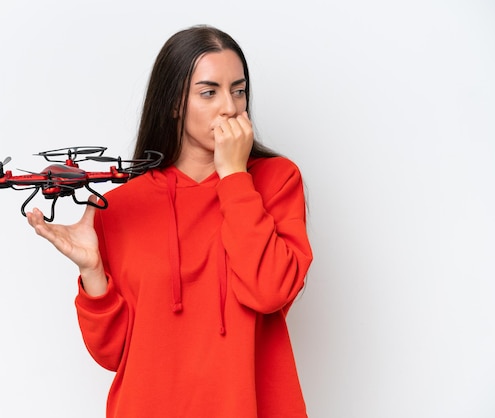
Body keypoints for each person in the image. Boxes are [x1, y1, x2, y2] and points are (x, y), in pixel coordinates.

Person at [27, 24, 313, 418]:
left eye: (239, 90)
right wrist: (93, 271)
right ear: (175, 103)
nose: (230, 107)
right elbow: (113, 355)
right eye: (209, 92)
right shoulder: (121, 205)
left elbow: (269, 291)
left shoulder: (275, 181)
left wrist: (233, 176)